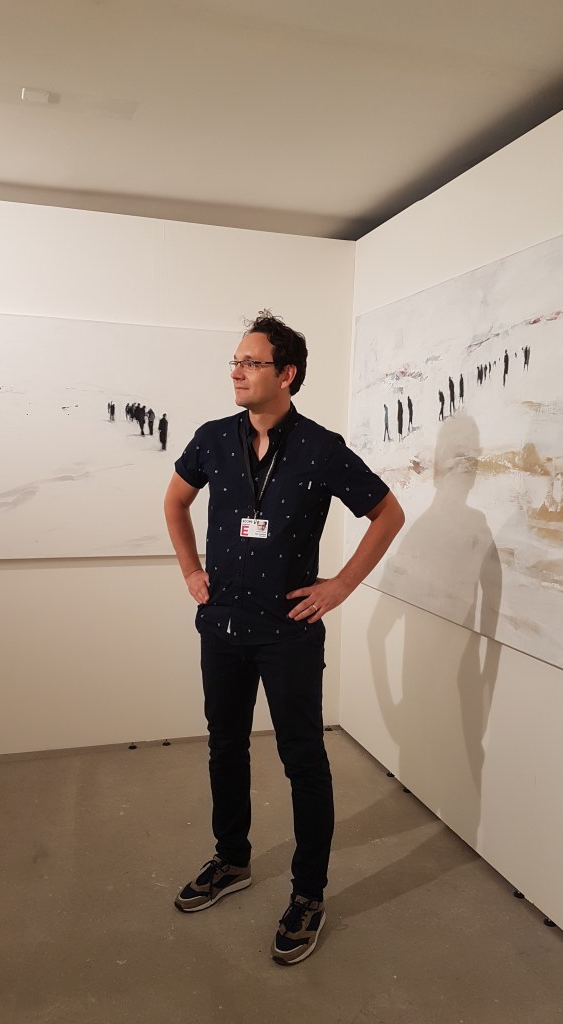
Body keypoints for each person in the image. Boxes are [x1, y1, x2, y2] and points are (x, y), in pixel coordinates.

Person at [164, 312, 404, 966]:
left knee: (303, 760)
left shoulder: (321, 448)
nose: (237, 372)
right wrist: (190, 570)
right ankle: (232, 859)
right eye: (236, 361)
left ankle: (308, 894)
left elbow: (387, 512)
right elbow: (175, 501)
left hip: (288, 632)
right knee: (225, 747)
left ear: (287, 373)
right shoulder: (214, 439)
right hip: (222, 624)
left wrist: (342, 585)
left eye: (252, 362)